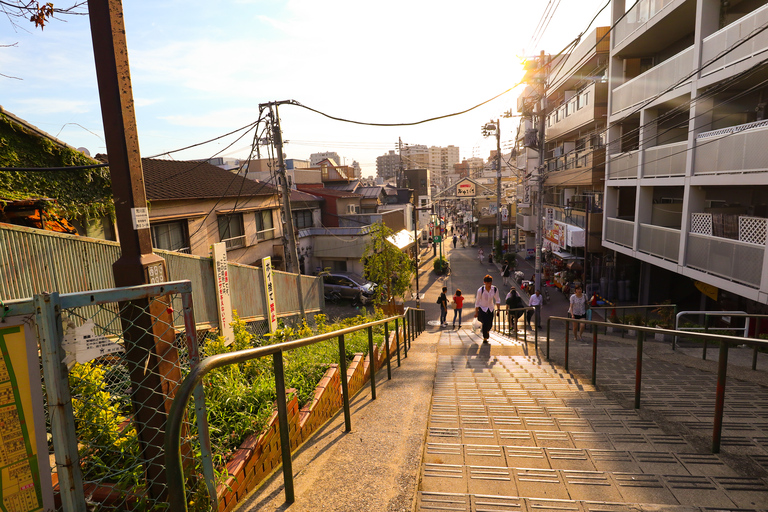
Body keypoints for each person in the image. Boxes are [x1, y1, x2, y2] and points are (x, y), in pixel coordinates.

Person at [474, 275, 500, 343]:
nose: (489, 285)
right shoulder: (481, 290)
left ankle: (487, 331)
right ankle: (485, 337)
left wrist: (498, 309)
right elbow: (477, 301)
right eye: (487, 283)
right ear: (484, 282)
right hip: (482, 308)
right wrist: (476, 312)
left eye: (490, 283)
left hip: (490, 308)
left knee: (490, 323)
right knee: (485, 323)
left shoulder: (494, 289)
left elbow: (497, 299)